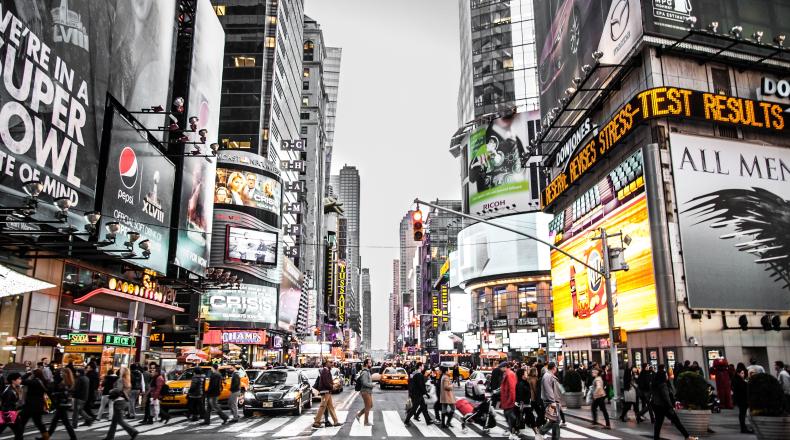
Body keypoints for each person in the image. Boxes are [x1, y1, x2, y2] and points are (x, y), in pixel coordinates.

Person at [652, 366, 697, 440]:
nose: (667, 376)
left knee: (658, 424)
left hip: (657, 406)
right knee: (677, 422)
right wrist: (671, 407)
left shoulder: (655, 384)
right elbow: (666, 397)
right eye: (666, 374)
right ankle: (687, 436)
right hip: (665, 407)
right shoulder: (663, 385)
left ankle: (656, 438)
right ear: (663, 376)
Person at [105, 367, 139, 440]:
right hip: (123, 401)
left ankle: (133, 431)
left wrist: (110, 391)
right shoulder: (127, 380)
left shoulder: (121, 380)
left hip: (118, 401)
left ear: (123, 372)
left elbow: (118, 390)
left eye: (121, 370)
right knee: (114, 422)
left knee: (120, 420)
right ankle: (109, 437)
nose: (119, 371)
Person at [16, 369, 50, 440]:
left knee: (21, 422)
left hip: (30, 406)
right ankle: (46, 437)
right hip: (39, 405)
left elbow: (21, 380)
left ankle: (19, 438)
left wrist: (28, 374)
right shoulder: (43, 381)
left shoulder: (33, 382)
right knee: (38, 422)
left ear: (34, 374)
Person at [44, 368, 77, 440]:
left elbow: (65, 393)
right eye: (60, 373)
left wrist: (55, 393)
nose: (61, 374)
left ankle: (73, 438)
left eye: (62, 373)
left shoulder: (66, 382)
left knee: (62, 423)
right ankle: (46, 437)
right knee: (56, 422)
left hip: (62, 404)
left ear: (66, 374)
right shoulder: (66, 381)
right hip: (62, 404)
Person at [312, 360, 340, 429]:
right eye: (330, 362)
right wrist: (332, 386)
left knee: (331, 407)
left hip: (327, 391)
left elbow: (327, 382)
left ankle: (336, 421)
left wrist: (332, 386)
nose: (332, 363)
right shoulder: (325, 371)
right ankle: (316, 422)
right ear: (326, 363)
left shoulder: (326, 370)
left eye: (332, 362)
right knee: (322, 406)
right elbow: (326, 382)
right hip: (325, 392)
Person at [538, 362, 562, 440]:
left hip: (553, 401)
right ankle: (542, 431)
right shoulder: (548, 376)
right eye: (556, 367)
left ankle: (553, 437)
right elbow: (549, 390)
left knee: (555, 420)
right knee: (555, 420)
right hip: (551, 401)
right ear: (554, 368)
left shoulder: (549, 376)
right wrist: (553, 402)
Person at [516, 368, 541, 439]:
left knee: (530, 419)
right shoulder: (521, 383)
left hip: (526, 405)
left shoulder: (524, 382)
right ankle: (513, 433)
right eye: (525, 373)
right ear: (522, 375)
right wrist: (521, 404)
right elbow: (520, 396)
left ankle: (537, 434)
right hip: (524, 405)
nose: (527, 374)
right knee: (521, 419)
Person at [499, 362, 519, 440]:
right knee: (508, 416)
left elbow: (512, 388)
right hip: (507, 399)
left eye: (501, 367)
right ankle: (512, 431)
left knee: (510, 417)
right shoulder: (507, 374)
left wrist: (512, 400)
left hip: (509, 400)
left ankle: (513, 432)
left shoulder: (509, 374)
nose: (500, 369)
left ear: (504, 367)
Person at [732, 363, 753, 434]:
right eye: (742, 373)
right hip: (742, 399)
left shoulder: (737, 380)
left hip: (740, 399)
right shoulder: (739, 381)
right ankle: (743, 428)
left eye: (743, 373)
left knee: (742, 414)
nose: (743, 374)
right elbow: (743, 389)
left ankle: (743, 428)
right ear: (738, 373)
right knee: (742, 414)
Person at [355, 359, 374, 426]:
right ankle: (366, 422)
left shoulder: (368, 371)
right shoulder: (365, 372)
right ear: (366, 364)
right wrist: (372, 385)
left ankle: (358, 415)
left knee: (370, 405)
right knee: (368, 406)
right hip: (365, 391)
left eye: (371, 362)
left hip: (368, 391)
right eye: (370, 363)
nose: (371, 364)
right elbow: (364, 383)